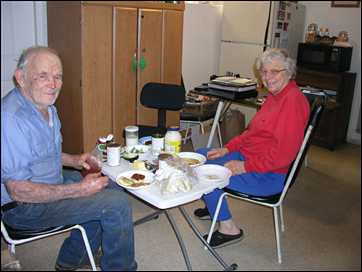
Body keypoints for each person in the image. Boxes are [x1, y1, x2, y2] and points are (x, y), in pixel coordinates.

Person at [1, 46, 137, 271]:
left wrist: (74, 160)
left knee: (113, 185)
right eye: (43, 76)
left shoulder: (46, 107)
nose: (53, 84)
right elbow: (18, 190)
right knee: (117, 205)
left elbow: (45, 154)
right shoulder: (10, 119)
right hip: (23, 207)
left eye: (57, 77)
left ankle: (73, 257)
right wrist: (79, 190)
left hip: (48, 182)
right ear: (21, 78)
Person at [194, 48, 310, 248]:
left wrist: (244, 167)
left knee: (207, 175)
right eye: (264, 71)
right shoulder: (275, 96)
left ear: (289, 72)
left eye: (275, 71)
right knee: (199, 157)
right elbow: (251, 132)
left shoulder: (292, 101)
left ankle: (229, 229)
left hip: (268, 174)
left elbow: (284, 155)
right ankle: (215, 204)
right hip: (249, 157)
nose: (268, 77)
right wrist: (227, 149)